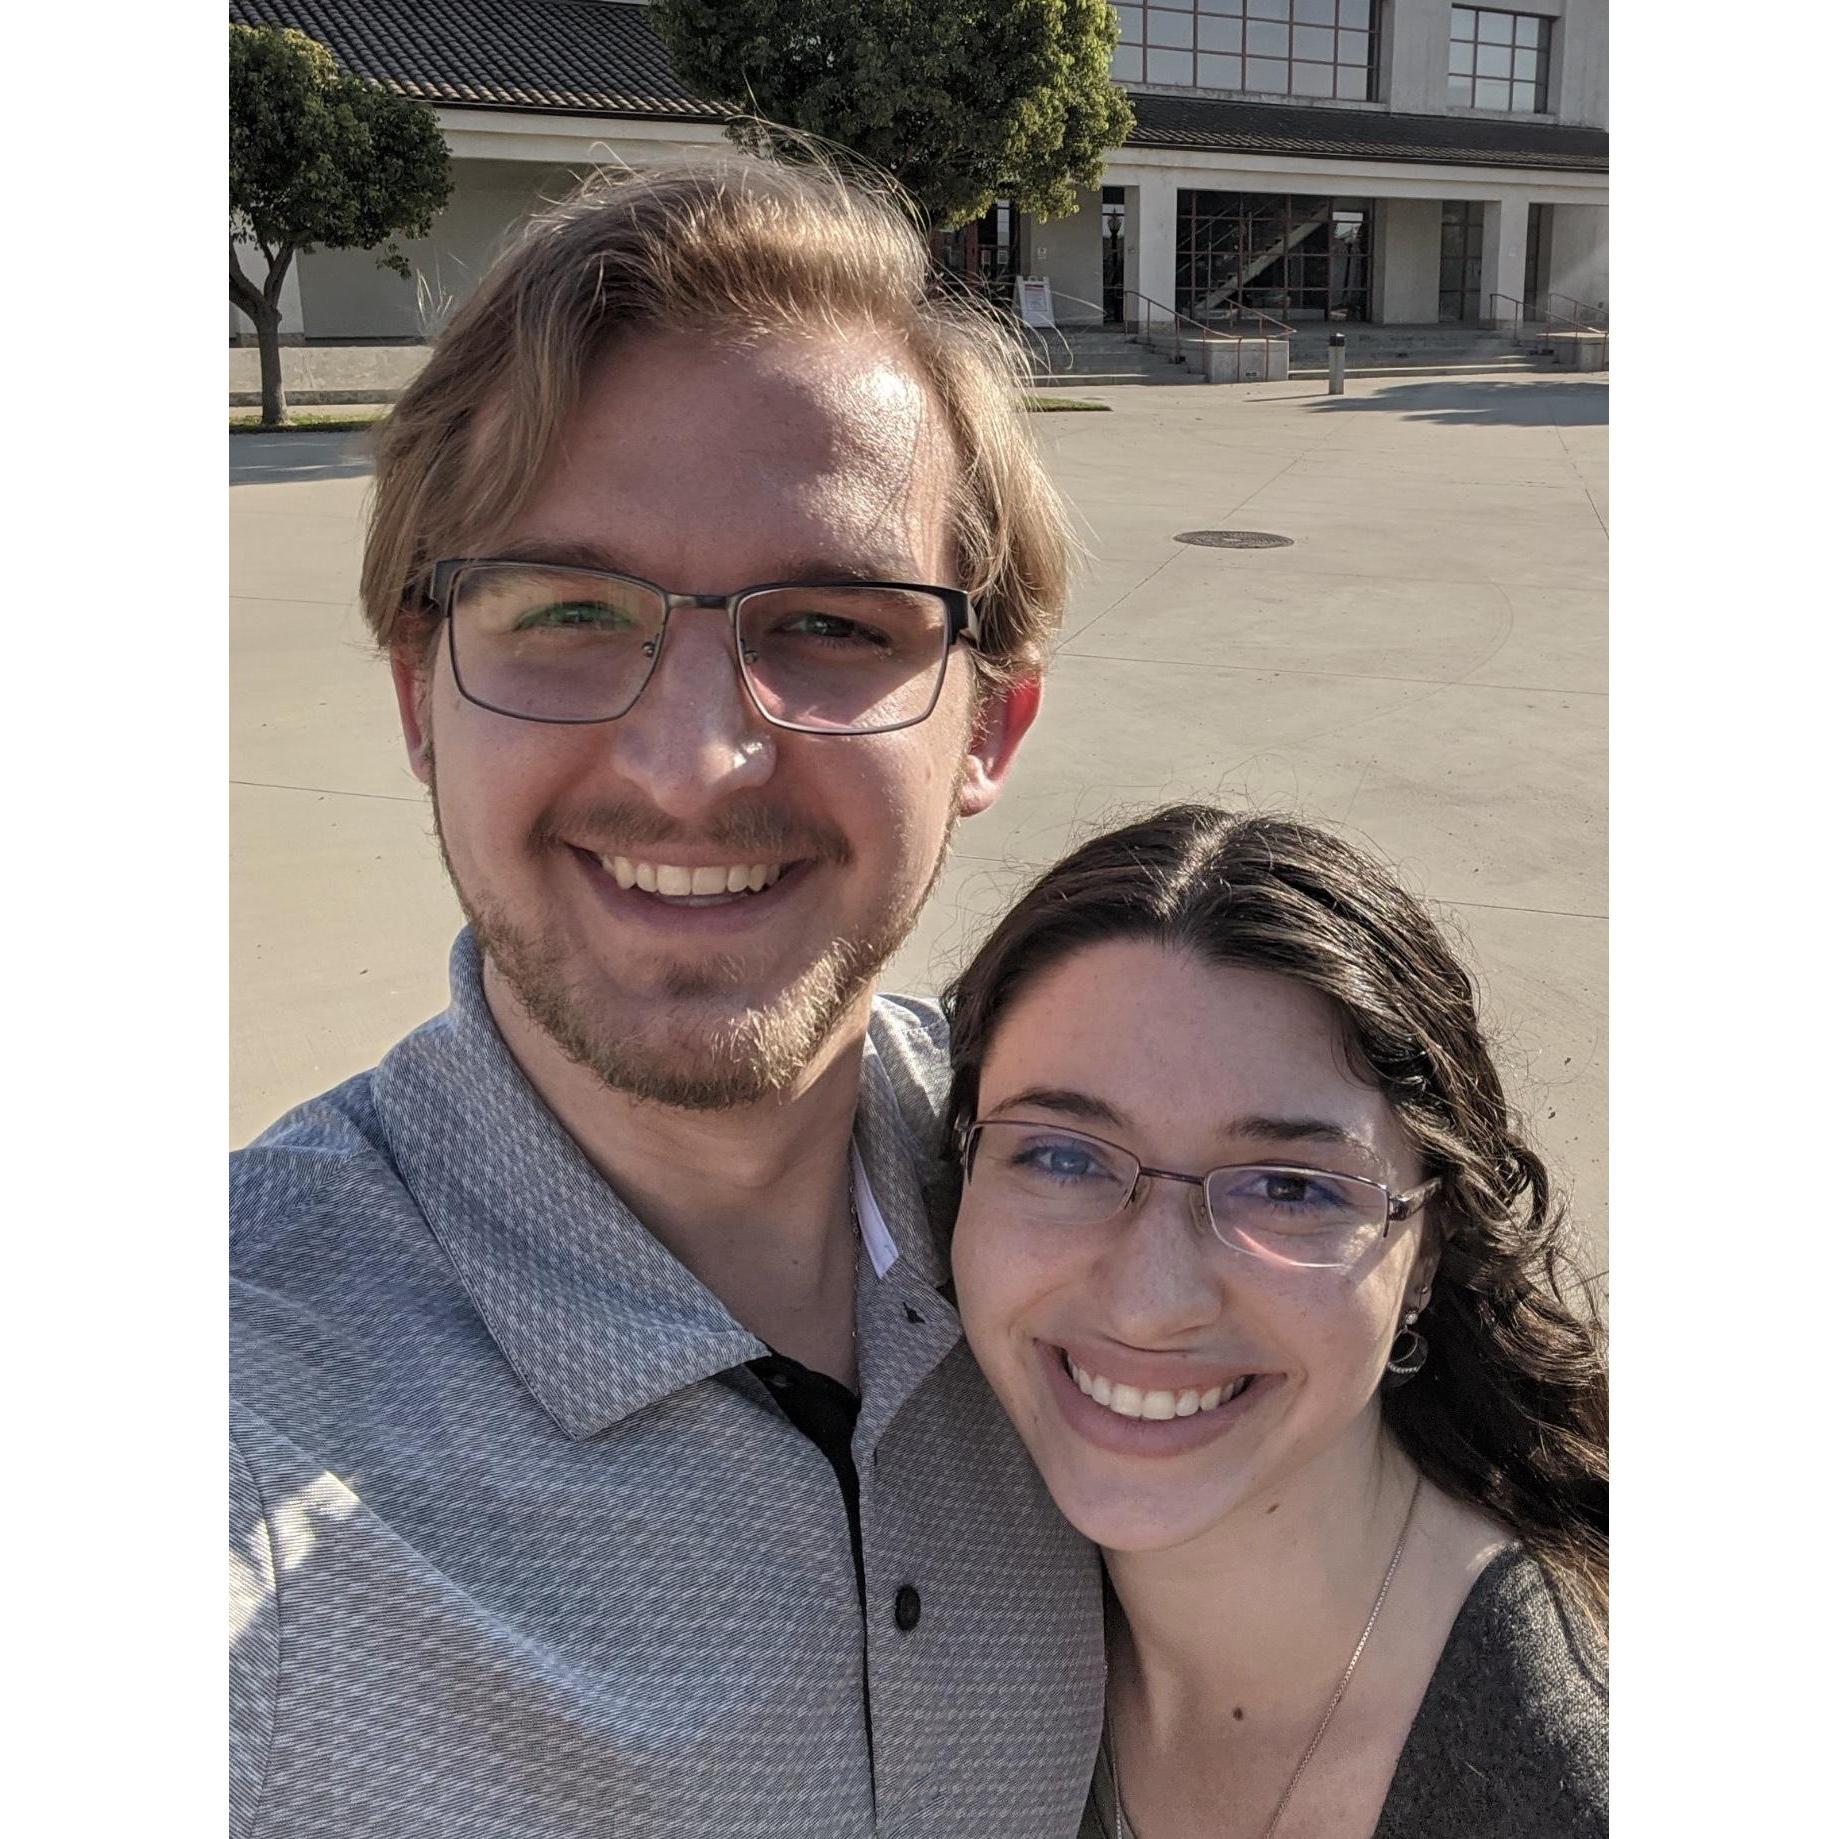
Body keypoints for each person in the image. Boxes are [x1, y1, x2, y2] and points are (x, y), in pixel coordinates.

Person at [228, 154, 1105, 1839]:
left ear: (986, 725)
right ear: (421, 701)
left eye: (835, 624)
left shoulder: (1110, 1210)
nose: (694, 762)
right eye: (570, 610)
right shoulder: (240, 1394)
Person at [944, 806, 1608, 1839]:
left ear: (1427, 1249)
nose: (1149, 1300)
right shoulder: (944, 1598)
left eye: (1290, 1189)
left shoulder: (1566, 1781)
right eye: (1064, 1155)